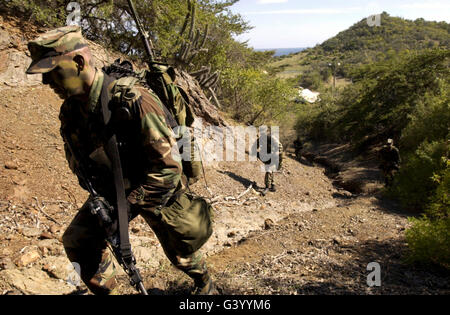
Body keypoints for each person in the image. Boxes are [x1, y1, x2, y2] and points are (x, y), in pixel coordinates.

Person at [26, 26, 216, 295]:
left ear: (78, 62)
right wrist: (105, 204)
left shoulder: (134, 100)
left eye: (53, 71)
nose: (47, 82)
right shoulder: (70, 110)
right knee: (78, 241)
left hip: (153, 183)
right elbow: (79, 160)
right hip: (114, 186)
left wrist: (125, 207)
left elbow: (169, 168)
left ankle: (205, 284)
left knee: (181, 251)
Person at [253, 128, 284, 195]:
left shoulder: (271, 138)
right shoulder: (260, 139)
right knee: (270, 170)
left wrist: (275, 154)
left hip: (276, 157)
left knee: (269, 170)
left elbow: (280, 147)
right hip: (268, 156)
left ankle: (267, 187)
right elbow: (255, 147)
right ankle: (272, 185)